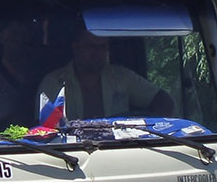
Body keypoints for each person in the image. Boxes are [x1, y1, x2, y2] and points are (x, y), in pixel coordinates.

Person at [37, 28, 173, 120]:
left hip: (119, 151)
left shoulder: (122, 77)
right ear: (75, 47)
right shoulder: (53, 82)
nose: (97, 53)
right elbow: (41, 130)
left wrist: (153, 131)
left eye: (103, 47)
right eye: (91, 47)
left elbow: (164, 101)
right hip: (70, 153)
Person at [0, 18, 40, 128]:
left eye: (23, 34)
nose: (19, 39)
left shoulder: (40, 73)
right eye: (14, 33)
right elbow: (10, 122)